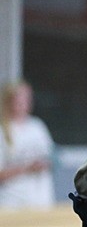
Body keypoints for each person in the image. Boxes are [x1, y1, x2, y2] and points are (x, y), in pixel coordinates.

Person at [0, 79, 54, 208]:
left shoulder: (37, 126)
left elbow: (51, 157)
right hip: (12, 202)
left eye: (28, 98)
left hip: (41, 200)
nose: (25, 102)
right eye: (20, 98)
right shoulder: (3, 130)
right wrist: (28, 168)